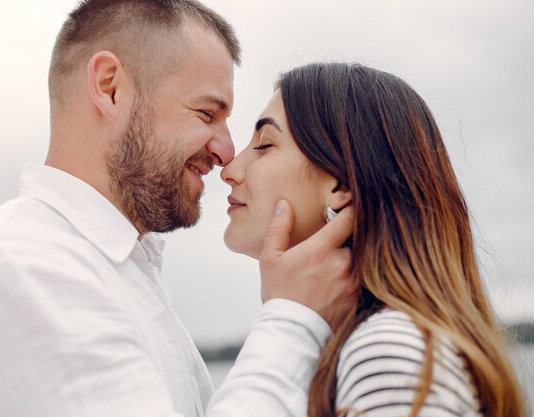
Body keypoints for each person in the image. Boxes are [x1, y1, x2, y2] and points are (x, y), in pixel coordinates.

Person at [0, 2, 358, 417]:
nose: (225, 151)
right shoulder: (17, 268)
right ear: (110, 88)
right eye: (206, 114)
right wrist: (292, 318)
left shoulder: (114, 274)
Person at [221, 62, 525, 417]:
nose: (229, 171)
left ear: (341, 187)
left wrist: (285, 318)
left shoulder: (388, 353)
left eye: (264, 145)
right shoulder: (371, 347)